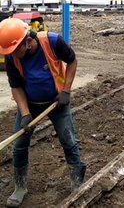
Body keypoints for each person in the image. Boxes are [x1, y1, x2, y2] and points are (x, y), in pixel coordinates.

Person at [0, 18, 85, 207]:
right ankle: (20, 187)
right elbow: (16, 87)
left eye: (15, 50)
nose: (12, 55)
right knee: (19, 145)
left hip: (57, 102)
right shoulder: (12, 56)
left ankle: (77, 185)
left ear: (27, 41)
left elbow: (72, 61)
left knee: (68, 140)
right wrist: (24, 114)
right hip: (30, 103)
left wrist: (66, 90)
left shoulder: (53, 41)